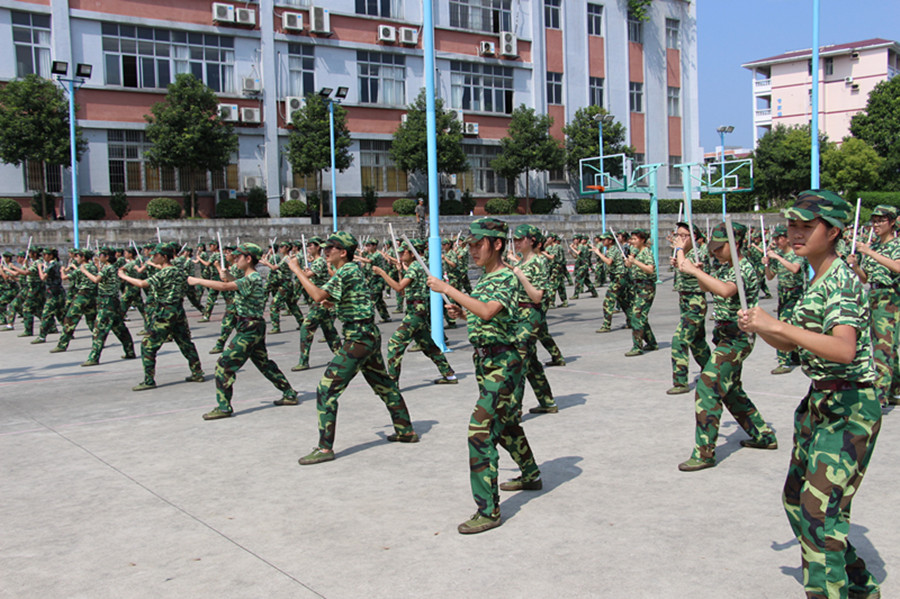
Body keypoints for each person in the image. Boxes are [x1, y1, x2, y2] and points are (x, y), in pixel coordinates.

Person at [738, 190, 882, 599]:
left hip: (850, 406)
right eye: (792, 225)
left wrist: (778, 327)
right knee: (799, 503)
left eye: (807, 226)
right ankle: (857, 586)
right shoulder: (814, 276)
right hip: (819, 403)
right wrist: (763, 327)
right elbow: (792, 346)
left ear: (833, 231)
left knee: (820, 514)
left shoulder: (842, 279)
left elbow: (843, 348)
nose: (795, 234)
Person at [426, 217, 541, 535]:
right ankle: (530, 473)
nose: (472, 250)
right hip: (487, 363)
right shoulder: (487, 277)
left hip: (503, 364)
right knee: (504, 425)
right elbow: (488, 315)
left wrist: (447, 289)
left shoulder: (504, 276)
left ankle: (488, 510)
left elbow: (490, 310)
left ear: (497, 244)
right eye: (470, 245)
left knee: (480, 431)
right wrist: (464, 311)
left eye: (479, 244)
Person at [287, 231, 418, 465]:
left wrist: (297, 270)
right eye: (325, 248)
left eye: (331, 248)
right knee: (385, 386)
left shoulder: (347, 269)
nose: (326, 251)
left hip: (358, 338)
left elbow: (316, 295)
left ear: (343, 252)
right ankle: (405, 430)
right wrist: (333, 303)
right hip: (366, 334)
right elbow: (350, 300)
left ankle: (325, 448)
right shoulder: (350, 270)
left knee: (326, 389)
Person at [675, 221, 777, 472]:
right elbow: (708, 287)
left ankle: (704, 452)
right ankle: (763, 435)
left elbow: (724, 291)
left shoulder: (743, 268)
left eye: (721, 248)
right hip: (724, 335)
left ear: (736, 244)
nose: (715, 252)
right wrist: (700, 274)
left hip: (738, 337)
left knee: (708, 386)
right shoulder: (725, 266)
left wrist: (698, 273)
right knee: (731, 390)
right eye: (714, 248)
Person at [188, 243, 298, 420]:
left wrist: (197, 280)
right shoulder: (249, 277)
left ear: (248, 259)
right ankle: (289, 393)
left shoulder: (253, 277)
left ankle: (224, 406)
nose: (235, 259)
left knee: (224, 365)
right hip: (251, 326)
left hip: (249, 329)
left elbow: (225, 287)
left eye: (239, 257)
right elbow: (233, 283)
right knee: (264, 363)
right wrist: (227, 275)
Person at [370, 238, 458, 385]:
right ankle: (449, 375)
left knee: (395, 344)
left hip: (416, 312)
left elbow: (398, 288)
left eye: (404, 251)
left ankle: (392, 382)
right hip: (417, 310)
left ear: (412, 253)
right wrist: (399, 271)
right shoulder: (418, 265)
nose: (401, 254)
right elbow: (404, 291)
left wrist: (382, 273)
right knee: (429, 346)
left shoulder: (415, 266)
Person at [118, 242, 204, 391]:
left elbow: (142, 283)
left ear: (164, 257)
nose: (153, 257)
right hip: (177, 310)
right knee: (185, 342)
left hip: (165, 312)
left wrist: (123, 276)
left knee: (148, 345)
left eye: (155, 255)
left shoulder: (164, 273)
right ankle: (197, 372)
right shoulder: (178, 271)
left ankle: (149, 380)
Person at [847, 205, 900, 407]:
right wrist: (856, 266)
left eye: (881, 221)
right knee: (886, 345)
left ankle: (879, 396)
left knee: (883, 347)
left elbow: (897, 267)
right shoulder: (875, 246)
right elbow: (865, 278)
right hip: (875, 295)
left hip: (891, 297)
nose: (876, 225)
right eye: (874, 221)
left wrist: (869, 252)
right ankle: (896, 388)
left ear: (892, 222)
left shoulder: (896, 244)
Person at [508, 225, 558, 414]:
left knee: (518, 361)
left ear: (532, 240)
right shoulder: (521, 261)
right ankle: (547, 401)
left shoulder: (539, 262)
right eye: (516, 239)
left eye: (521, 239)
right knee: (531, 362)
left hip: (530, 314)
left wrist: (520, 276)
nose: (517, 242)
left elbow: (537, 296)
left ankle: (513, 411)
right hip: (518, 315)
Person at [667, 223, 711, 395]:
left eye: (684, 236)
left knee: (680, 339)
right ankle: (711, 370)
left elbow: (688, 266)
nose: (680, 239)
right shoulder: (683, 253)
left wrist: (679, 252)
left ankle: (680, 382)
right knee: (697, 341)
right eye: (678, 235)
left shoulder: (699, 252)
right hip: (684, 299)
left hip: (695, 301)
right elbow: (682, 266)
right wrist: (677, 258)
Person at [78, 247, 136, 366]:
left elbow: (96, 279)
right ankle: (130, 351)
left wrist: (84, 271)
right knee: (120, 328)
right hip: (112, 301)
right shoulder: (111, 267)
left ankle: (94, 357)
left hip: (106, 301)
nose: (99, 257)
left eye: (101, 255)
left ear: (107, 257)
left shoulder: (108, 268)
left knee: (99, 330)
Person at [763, 225, 806, 375]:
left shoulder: (797, 254)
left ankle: (786, 360)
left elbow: (795, 269)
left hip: (797, 296)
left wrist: (777, 257)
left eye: (778, 238)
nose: (776, 241)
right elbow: (770, 276)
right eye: (774, 238)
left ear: (787, 239)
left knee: (792, 327)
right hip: (783, 296)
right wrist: (767, 264)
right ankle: (788, 358)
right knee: (784, 325)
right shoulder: (777, 256)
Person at [50, 249, 98, 353]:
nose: (76, 258)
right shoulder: (93, 267)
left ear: (83, 257)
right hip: (92, 296)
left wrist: (62, 270)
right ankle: (98, 342)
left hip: (82, 296)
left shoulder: (83, 268)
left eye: (78, 256)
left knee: (69, 320)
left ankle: (62, 344)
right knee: (91, 321)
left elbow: (64, 277)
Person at [623, 229, 657, 356]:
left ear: (642, 240)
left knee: (636, 316)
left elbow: (650, 269)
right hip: (636, 286)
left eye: (635, 239)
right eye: (631, 239)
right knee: (640, 316)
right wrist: (628, 261)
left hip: (646, 287)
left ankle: (637, 346)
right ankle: (652, 342)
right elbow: (629, 266)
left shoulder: (646, 252)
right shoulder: (635, 252)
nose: (632, 241)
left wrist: (635, 261)